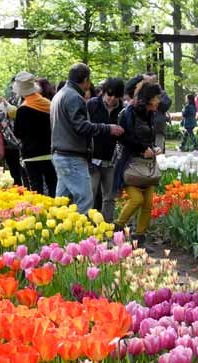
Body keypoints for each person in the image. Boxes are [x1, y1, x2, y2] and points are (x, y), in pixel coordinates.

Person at [51, 63, 124, 214]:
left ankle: (59, 232)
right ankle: (79, 235)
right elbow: (82, 127)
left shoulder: (59, 95)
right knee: (84, 199)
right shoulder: (74, 97)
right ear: (85, 80)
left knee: (61, 201)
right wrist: (108, 128)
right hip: (72, 155)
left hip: (60, 154)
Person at [112, 83, 164, 248]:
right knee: (136, 199)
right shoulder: (128, 113)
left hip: (146, 166)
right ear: (148, 99)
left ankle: (139, 239)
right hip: (129, 164)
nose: (158, 101)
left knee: (148, 202)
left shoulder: (150, 114)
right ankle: (116, 229)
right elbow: (122, 138)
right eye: (156, 98)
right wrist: (143, 149)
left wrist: (153, 147)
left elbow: (147, 137)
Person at [11, 72, 58, 197]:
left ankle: (40, 214)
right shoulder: (48, 104)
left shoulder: (22, 109)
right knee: (53, 184)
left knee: (36, 188)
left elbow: (18, 133)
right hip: (49, 152)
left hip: (31, 154)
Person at [87, 77, 125, 223]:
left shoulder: (122, 110)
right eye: (109, 94)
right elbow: (85, 128)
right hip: (93, 158)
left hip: (112, 160)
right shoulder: (92, 105)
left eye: (116, 96)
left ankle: (107, 227)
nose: (112, 98)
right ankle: (88, 227)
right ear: (103, 92)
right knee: (90, 194)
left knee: (109, 197)